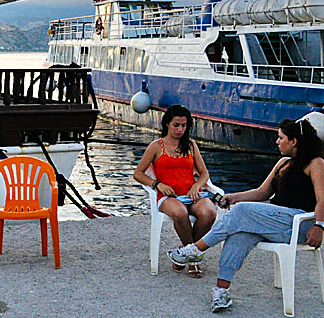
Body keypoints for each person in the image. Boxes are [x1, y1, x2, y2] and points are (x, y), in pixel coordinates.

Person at [167, 118, 324, 313]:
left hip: (298, 225)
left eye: (281, 138)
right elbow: (262, 193)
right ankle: (221, 292)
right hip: (275, 223)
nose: (277, 142)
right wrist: (233, 197)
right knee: (239, 234)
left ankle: (196, 249)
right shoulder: (283, 163)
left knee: (242, 212)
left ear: (294, 141)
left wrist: (319, 226)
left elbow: (322, 199)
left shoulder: (316, 163)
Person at [133, 104, 217, 278]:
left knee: (209, 212)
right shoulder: (156, 146)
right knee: (179, 213)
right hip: (168, 194)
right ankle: (193, 259)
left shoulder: (191, 145)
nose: (180, 129)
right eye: (176, 125)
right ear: (167, 124)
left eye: (184, 126)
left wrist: (196, 186)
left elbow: (204, 173)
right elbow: (138, 174)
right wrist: (157, 184)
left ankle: (184, 252)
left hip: (191, 192)